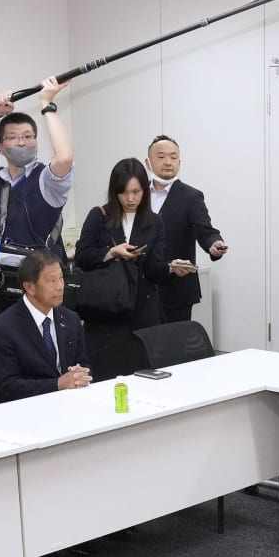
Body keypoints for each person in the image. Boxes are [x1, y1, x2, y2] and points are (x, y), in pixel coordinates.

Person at [0, 76, 72, 403]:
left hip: (41, 296)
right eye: (13, 138)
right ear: (1, 147)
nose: (22, 142)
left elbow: (64, 158)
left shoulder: (48, 181)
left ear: (37, 143)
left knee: (44, 374)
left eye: (29, 137)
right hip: (2, 295)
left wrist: (47, 104)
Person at [72, 157, 168, 380]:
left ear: (145, 191)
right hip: (106, 311)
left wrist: (171, 268)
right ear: (114, 191)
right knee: (104, 376)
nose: (130, 199)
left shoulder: (155, 221)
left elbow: (154, 268)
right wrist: (111, 252)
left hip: (142, 311)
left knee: (144, 376)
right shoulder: (99, 215)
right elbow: (83, 256)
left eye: (136, 192)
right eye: (124, 193)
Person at [0, 248, 88, 403]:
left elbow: (84, 363)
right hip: (28, 408)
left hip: (71, 401)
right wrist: (57, 384)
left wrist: (80, 374)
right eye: (52, 281)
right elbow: (7, 387)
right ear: (30, 287)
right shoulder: (4, 328)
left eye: (61, 278)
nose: (60, 286)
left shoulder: (70, 319)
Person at [144, 134, 227, 324]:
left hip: (175, 290)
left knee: (173, 341)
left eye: (173, 157)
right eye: (161, 156)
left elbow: (205, 230)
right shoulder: (137, 195)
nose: (168, 162)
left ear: (179, 163)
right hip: (141, 288)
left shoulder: (191, 196)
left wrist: (214, 243)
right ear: (148, 162)